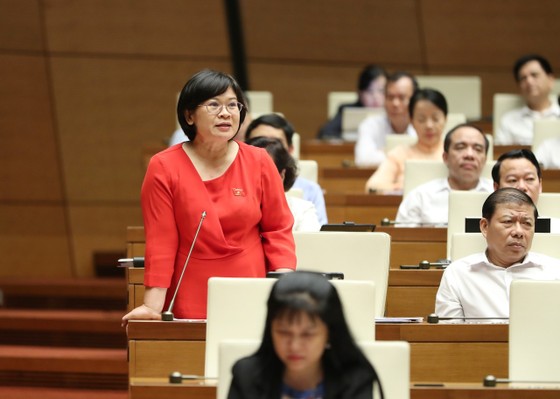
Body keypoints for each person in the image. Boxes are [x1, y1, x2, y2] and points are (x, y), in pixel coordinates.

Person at [121, 70, 296, 323]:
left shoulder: (259, 161)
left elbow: (278, 228)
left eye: (233, 105)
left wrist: (285, 288)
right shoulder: (164, 166)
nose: (225, 113)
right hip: (189, 289)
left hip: (249, 286)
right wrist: (153, 306)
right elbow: (161, 241)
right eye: (214, 105)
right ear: (189, 115)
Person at [228, 271, 384, 399]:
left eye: (307, 335)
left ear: (329, 333)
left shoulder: (355, 378)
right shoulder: (246, 375)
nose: (294, 346)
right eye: (283, 332)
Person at [435, 188, 560, 319]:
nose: (518, 232)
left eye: (527, 223)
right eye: (508, 222)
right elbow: (449, 334)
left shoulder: (555, 271)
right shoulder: (458, 274)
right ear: (484, 227)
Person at [396, 124, 493, 225]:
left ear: (485, 160)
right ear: (445, 157)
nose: (469, 155)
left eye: (477, 149)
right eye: (460, 147)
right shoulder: (420, 197)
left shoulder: (496, 194)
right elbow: (402, 238)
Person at [245, 114, 329, 225]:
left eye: (275, 143)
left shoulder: (304, 206)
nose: (266, 149)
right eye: (259, 142)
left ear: (290, 150)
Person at [364, 88, 447, 194]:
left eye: (435, 119)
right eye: (421, 119)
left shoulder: (455, 154)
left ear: (445, 119)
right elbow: (372, 187)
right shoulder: (400, 153)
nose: (429, 126)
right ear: (411, 121)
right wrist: (402, 188)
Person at [246, 136, 321, 232]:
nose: (255, 179)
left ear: (282, 175)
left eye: (263, 172)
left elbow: (311, 245)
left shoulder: (302, 210)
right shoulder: (228, 209)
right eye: (249, 171)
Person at [354, 72, 418, 167]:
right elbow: (363, 159)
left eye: (402, 98)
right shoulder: (371, 125)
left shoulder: (422, 126)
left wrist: (384, 152)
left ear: (415, 100)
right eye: (390, 97)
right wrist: (407, 155)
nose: (395, 103)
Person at [495, 54, 559, 145]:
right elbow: (500, 156)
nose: (529, 81)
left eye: (534, 75)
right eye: (523, 78)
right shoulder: (509, 121)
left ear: (551, 80)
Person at [317, 65, 387, 140]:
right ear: (360, 93)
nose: (375, 96)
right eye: (369, 91)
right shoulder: (347, 110)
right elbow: (325, 132)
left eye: (381, 90)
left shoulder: (393, 112)